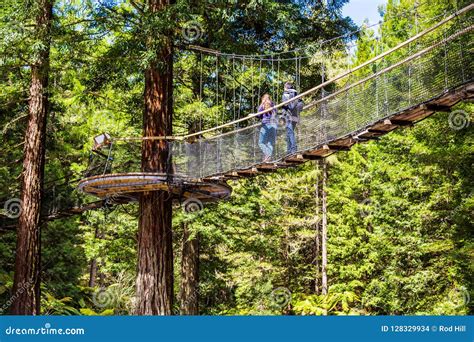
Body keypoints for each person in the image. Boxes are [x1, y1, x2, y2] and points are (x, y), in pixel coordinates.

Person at [281, 82, 303, 154]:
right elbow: (301, 105)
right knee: (289, 133)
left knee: (290, 133)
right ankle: (289, 151)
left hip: (288, 116)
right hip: (295, 116)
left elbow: (285, 106)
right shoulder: (296, 94)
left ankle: (293, 149)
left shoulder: (285, 95)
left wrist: (282, 116)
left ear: (285, 87)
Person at [257, 94, 278, 163]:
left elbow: (258, 115)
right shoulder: (273, 105)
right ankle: (268, 159)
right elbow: (276, 112)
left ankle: (268, 155)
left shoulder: (263, 106)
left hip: (265, 126)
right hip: (273, 126)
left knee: (261, 143)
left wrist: (262, 103)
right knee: (270, 143)